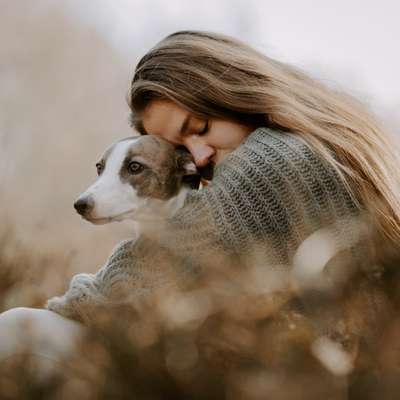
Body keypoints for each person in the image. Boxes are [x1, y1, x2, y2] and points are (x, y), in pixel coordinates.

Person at [0, 30, 399, 375]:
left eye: (200, 129)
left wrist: (76, 302)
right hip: (313, 366)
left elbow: (160, 266)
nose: (200, 156)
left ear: (234, 90)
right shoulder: (312, 142)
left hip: (322, 374)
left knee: (17, 330)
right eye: (181, 148)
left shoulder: (276, 158)